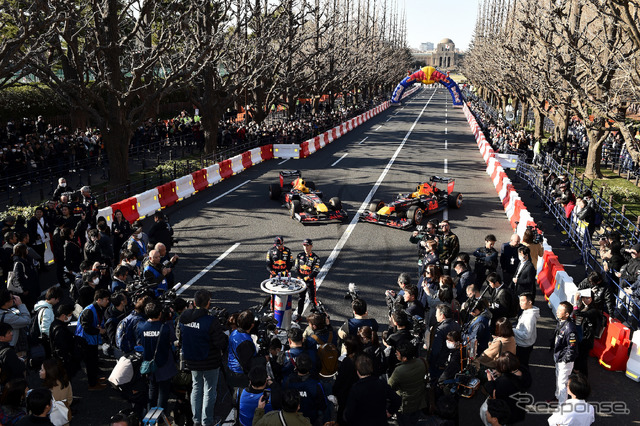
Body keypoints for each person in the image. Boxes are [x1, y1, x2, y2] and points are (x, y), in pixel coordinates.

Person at [179, 289, 228, 426]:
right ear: (208, 303)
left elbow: (180, 336)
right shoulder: (211, 321)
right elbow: (220, 343)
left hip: (191, 360)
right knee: (209, 390)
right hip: (210, 362)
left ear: (194, 303)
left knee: (196, 388)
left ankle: (196, 420)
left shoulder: (185, 317)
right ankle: (207, 420)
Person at [136, 301, 176, 410]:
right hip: (165, 363)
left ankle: (150, 416)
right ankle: (160, 417)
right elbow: (173, 340)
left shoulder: (140, 326)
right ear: (159, 314)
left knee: (152, 389)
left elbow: (139, 341)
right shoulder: (165, 328)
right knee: (163, 392)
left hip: (148, 363)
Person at [344, 354, 401, 426]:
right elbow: (397, 400)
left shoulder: (356, 388)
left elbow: (349, 414)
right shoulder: (381, 383)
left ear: (357, 371)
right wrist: (390, 412)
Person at [482, 352, 532, 426]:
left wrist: (490, 380)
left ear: (504, 368)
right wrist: (502, 373)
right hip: (519, 406)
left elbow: (494, 393)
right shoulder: (523, 371)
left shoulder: (504, 382)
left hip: (507, 409)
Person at [75, 289, 110, 390]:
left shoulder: (97, 308)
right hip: (85, 341)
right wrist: (99, 331)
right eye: (106, 299)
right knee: (90, 362)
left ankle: (94, 379)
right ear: (99, 300)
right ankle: (92, 384)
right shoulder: (89, 311)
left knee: (94, 360)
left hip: (91, 340)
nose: (108, 301)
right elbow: (86, 327)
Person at [388, 341, 428, 425]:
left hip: (405, 404)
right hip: (418, 401)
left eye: (397, 354)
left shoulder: (399, 371)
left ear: (404, 358)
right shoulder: (422, 362)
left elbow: (389, 386)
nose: (396, 354)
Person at [282, 352, 327, 425]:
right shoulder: (316, 385)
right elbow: (323, 405)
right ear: (310, 366)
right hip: (310, 420)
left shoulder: (287, 382)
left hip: (291, 420)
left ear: (296, 366)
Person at [428, 304, 461, 384]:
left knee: (436, 383)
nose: (435, 316)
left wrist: (431, 361)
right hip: (452, 360)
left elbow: (436, 350)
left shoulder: (441, 329)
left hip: (440, 363)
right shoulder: (456, 325)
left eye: (436, 314)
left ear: (442, 315)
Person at [553, 302, 579, 404]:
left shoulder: (570, 328)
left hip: (564, 361)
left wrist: (564, 360)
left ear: (567, 314)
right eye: (558, 309)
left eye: (560, 310)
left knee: (562, 384)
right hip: (559, 357)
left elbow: (572, 347)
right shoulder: (561, 321)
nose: (557, 311)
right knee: (558, 380)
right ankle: (557, 398)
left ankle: (562, 407)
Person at [572, 289, 602, 377]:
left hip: (587, 338)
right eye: (584, 298)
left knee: (583, 358)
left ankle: (584, 377)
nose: (586, 300)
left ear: (592, 299)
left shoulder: (593, 310)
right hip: (581, 335)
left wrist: (575, 301)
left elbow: (578, 313)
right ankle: (576, 371)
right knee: (578, 356)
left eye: (588, 298)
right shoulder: (583, 306)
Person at [48, 304, 79, 379]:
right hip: (63, 362)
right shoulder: (60, 330)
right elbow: (61, 349)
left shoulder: (54, 324)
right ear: (63, 315)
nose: (70, 317)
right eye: (69, 315)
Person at [39, 358, 72, 426]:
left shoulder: (46, 390)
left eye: (42, 370)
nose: (39, 371)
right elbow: (70, 399)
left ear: (49, 372)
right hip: (64, 418)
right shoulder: (65, 382)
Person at [293, 238, 321, 317]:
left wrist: (306, 278)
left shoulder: (316, 258)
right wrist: (299, 277)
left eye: (307, 245)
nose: (306, 247)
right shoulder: (299, 255)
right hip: (301, 281)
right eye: (304, 245)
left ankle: (315, 316)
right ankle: (299, 315)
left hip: (310, 281)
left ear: (311, 246)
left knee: (312, 299)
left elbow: (315, 272)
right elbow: (296, 268)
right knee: (301, 298)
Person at [512, 293, 539, 368]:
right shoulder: (527, 311)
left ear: (530, 302)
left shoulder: (529, 317)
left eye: (522, 301)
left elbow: (526, 335)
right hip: (525, 344)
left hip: (524, 346)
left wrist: (513, 330)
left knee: (522, 366)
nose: (520, 303)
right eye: (520, 301)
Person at [10, 243, 39, 309]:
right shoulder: (19, 263)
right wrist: (25, 289)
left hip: (32, 286)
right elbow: (19, 277)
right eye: (26, 249)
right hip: (27, 289)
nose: (27, 250)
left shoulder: (27, 259)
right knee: (30, 305)